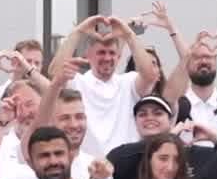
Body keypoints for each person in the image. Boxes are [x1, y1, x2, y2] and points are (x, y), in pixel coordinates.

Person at [48, 13, 162, 157]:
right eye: (101, 52)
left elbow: (150, 75)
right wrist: (78, 31)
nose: (107, 58)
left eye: (112, 53)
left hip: (124, 165)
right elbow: (55, 72)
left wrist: (128, 34)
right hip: (88, 167)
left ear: (119, 57)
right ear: (88, 55)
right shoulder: (78, 82)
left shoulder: (128, 82)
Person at [158, 30, 217, 145]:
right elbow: (167, 99)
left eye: (208, 57)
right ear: (187, 63)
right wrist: (186, 57)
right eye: (196, 57)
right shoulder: (179, 106)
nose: (203, 61)